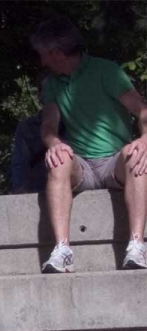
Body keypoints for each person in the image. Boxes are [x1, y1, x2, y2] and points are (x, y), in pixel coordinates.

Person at [31, 16, 147, 272]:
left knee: (136, 157)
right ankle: (62, 250)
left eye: (44, 55)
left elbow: (142, 111)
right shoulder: (52, 84)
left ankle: (137, 246)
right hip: (81, 164)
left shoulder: (106, 71)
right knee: (58, 160)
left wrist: (145, 139)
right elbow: (49, 126)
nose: (42, 62)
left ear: (57, 53)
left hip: (114, 161)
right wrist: (54, 143)